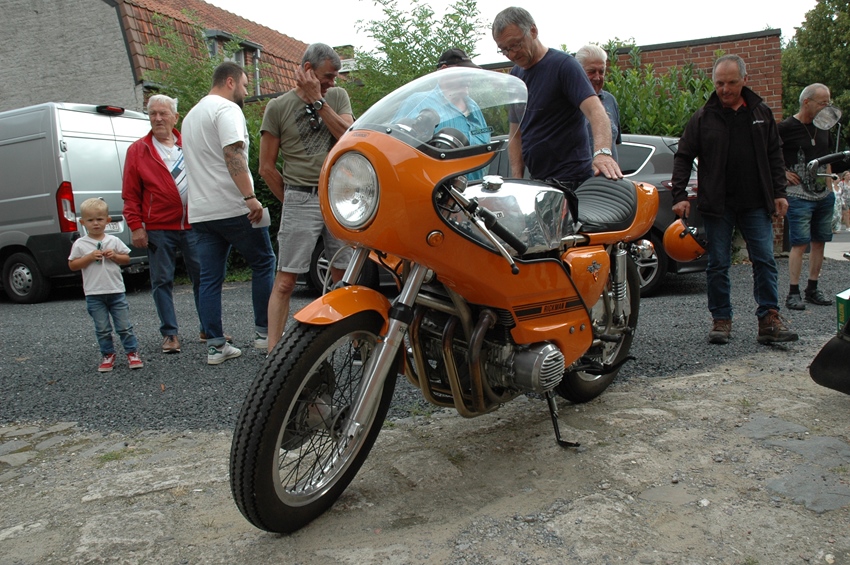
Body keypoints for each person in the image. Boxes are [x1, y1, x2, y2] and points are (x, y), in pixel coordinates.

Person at [670, 54, 797, 345]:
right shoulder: (703, 117)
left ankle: (769, 319)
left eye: (731, 83)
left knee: (765, 260)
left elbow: (775, 155)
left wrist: (779, 192)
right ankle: (721, 320)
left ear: (744, 80)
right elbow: (683, 156)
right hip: (717, 205)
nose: (725, 89)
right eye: (719, 83)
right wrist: (679, 195)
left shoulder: (761, 113)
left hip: (756, 203)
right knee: (718, 264)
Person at [259, 44, 355, 353]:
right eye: (328, 76)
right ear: (308, 70)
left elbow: (349, 136)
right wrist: (292, 201)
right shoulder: (278, 107)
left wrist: (318, 100)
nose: (332, 82)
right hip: (300, 196)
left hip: (338, 197)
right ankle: (273, 354)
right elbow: (266, 167)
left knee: (344, 276)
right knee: (286, 280)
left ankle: (356, 344)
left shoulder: (336, 97)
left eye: (335, 76)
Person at [181, 62, 276, 365]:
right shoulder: (226, 109)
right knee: (264, 262)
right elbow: (232, 152)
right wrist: (250, 197)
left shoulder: (190, 117)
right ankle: (264, 333)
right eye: (245, 85)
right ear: (230, 82)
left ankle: (215, 346)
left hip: (201, 211)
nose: (246, 92)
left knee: (209, 279)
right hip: (234, 206)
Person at [491, 7, 622, 189]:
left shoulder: (564, 66)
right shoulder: (516, 77)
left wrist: (603, 153)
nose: (511, 54)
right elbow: (515, 134)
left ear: (533, 31)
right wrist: (517, 180)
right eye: (504, 49)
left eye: (516, 45)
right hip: (539, 182)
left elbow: (596, 111)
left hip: (572, 181)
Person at [122, 94, 202, 355]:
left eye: (163, 113)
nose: (157, 118)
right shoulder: (138, 150)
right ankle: (170, 334)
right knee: (162, 280)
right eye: (153, 114)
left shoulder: (189, 144)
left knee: (203, 278)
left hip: (193, 224)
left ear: (175, 117)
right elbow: (130, 194)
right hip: (158, 227)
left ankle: (209, 328)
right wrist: (136, 226)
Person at [69, 198, 144, 372]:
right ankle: (108, 354)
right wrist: (88, 258)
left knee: (124, 326)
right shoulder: (80, 244)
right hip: (94, 293)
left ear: (108, 220)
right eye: (90, 220)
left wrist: (115, 256)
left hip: (116, 291)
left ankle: (132, 352)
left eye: (99, 219)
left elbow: (127, 259)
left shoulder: (113, 240)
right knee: (102, 328)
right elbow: (72, 265)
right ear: (82, 222)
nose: (95, 223)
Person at [779, 84, 837, 311]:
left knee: (819, 241)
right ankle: (793, 291)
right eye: (823, 103)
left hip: (823, 194)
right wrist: (782, 173)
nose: (827, 107)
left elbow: (827, 156)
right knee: (799, 243)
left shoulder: (824, 127)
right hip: (798, 195)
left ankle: (812, 288)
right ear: (807, 102)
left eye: (828, 102)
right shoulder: (785, 128)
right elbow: (768, 154)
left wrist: (830, 188)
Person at [395, 48, 491, 180]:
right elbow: (397, 150)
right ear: (445, 71)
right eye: (464, 73)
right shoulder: (417, 103)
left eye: (470, 74)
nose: (469, 79)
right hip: (436, 191)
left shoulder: (474, 107)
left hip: (475, 189)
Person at [575, 44, 622, 163]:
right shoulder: (566, 102)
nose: (597, 77)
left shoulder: (610, 100)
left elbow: (615, 144)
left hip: (607, 175)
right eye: (591, 71)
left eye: (601, 72)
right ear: (578, 71)